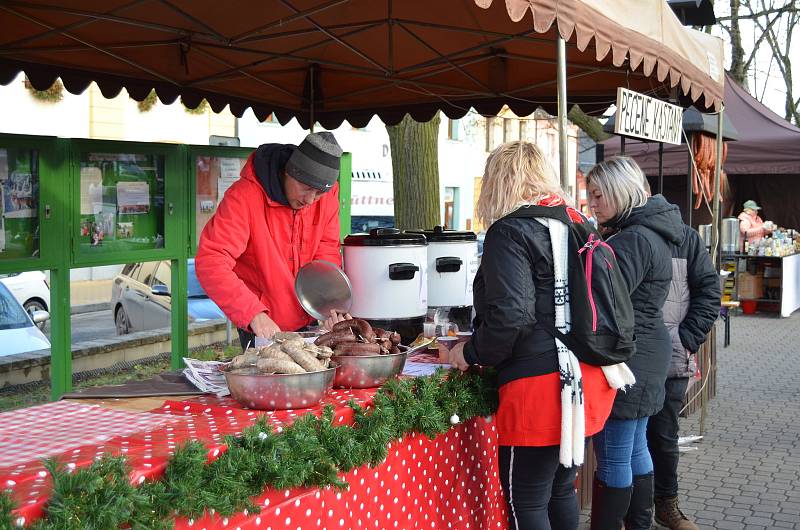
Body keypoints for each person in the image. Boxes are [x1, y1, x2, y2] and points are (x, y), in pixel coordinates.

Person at [448, 141, 618, 530]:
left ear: (499, 182)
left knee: (526, 500)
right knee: (560, 491)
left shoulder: (509, 231)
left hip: (541, 389)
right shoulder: (577, 222)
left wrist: (470, 352)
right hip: (586, 378)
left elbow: (511, 317)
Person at [586, 156, 683, 530]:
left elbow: (608, 304)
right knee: (635, 448)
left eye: (598, 195)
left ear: (619, 192)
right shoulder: (648, 233)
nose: (592, 203)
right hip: (647, 353)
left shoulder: (631, 240)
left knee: (614, 456)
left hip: (630, 360)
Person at [196, 132, 350, 350]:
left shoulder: (326, 197)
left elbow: (326, 255)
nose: (309, 200)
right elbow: (211, 260)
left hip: (310, 323)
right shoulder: (244, 196)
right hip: (263, 325)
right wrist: (253, 313)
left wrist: (327, 307)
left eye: (318, 194)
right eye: (305, 189)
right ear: (288, 172)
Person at [635, 179, 721, 530]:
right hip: (626, 359)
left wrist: (685, 338)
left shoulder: (685, 237)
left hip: (670, 357)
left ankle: (666, 505)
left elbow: (709, 291)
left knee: (663, 437)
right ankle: (634, 512)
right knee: (630, 440)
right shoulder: (615, 234)